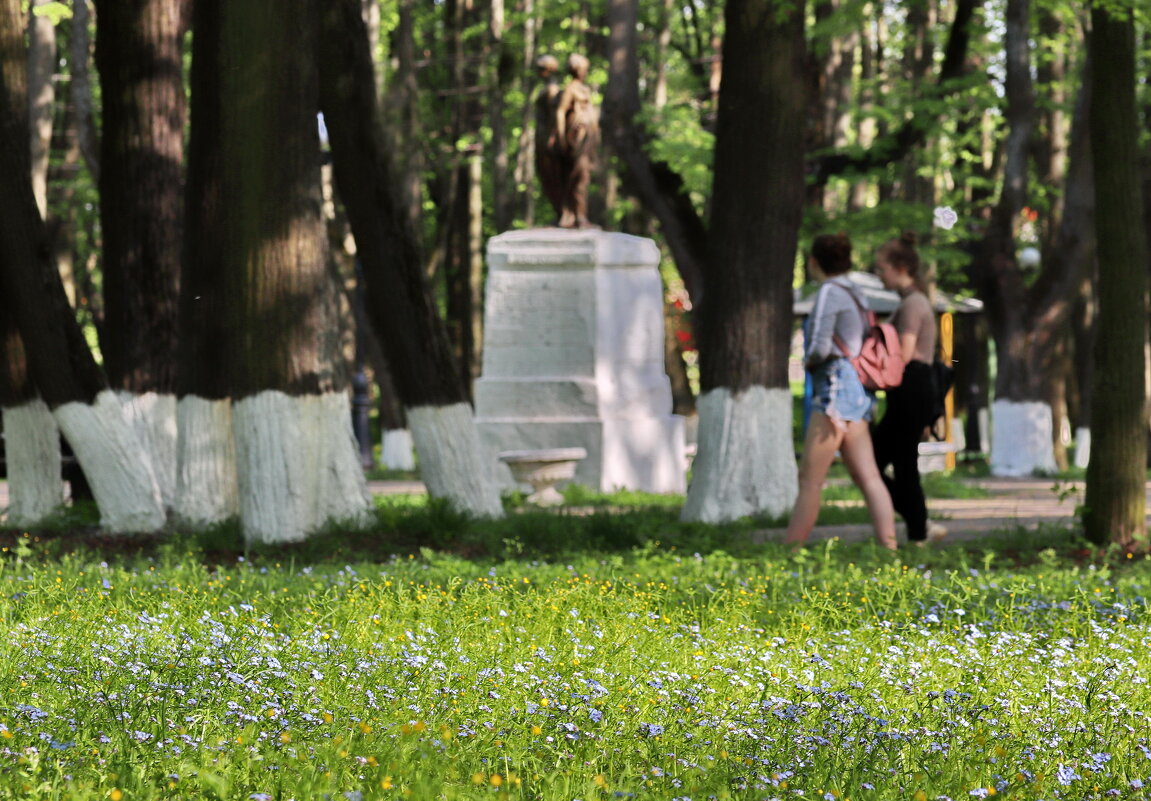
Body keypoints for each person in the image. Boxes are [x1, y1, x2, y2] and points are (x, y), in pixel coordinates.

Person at [785, 233, 898, 551]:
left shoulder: (829, 292)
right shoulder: (857, 292)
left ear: (814, 262)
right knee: (869, 477)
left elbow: (820, 345)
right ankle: (890, 548)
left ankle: (789, 553)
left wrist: (808, 362)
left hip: (834, 388)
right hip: (858, 391)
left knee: (810, 479)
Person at [871, 231, 947, 547]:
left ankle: (920, 528)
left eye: (881, 268)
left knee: (889, 462)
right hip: (910, 390)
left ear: (901, 268)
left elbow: (902, 354)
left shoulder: (913, 304)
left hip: (911, 387)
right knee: (893, 462)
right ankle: (920, 526)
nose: (879, 275)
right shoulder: (912, 302)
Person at [549, 53, 599, 229]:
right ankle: (576, 215)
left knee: (583, 176)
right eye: (584, 68)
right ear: (577, 69)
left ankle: (580, 215)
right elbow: (560, 111)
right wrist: (561, 136)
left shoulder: (584, 89)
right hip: (574, 140)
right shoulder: (570, 89)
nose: (585, 72)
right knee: (577, 176)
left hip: (586, 140)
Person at [533, 55, 564, 221]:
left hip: (547, 138)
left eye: (541, 69)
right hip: (541, 136)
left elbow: (554, 116)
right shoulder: (546, 88)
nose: (538, 72)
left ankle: (561, 211)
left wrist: (552, 137)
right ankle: (558, 212)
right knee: (545, 177)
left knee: (552, 176)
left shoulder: (552, 90)